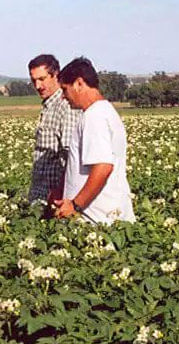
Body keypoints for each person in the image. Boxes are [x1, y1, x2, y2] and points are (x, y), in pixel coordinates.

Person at [53, 57, 135, 224]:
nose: (63, 97)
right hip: (105, 217)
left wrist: (75, 205)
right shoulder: (104, 111)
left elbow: (103, 167)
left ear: (79, 83)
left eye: (65, 89)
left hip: (99, 221)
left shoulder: (94, 116)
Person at [27, 54, 81, 218]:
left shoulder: (65, 106)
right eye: (34, 80)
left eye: (42, 79)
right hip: (41, 195)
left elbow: (68, 155)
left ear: (55, 75)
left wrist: (58, 195)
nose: (38, 85)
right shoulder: (49, 106)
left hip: (54, 198)